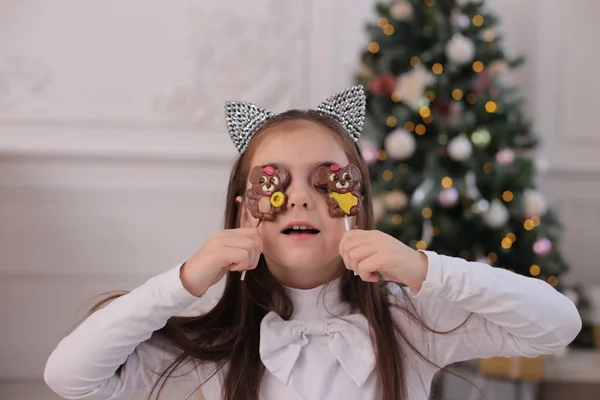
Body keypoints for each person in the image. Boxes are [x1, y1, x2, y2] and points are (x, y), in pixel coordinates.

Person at [44, 86, 582, 400]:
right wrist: (187, 279)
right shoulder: (201, 352)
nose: (299, 199)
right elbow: (68, 377)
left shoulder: (412, 325)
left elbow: (557, 324)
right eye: (273, 181)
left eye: (327, 179)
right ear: (240, 210)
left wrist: (422, 268)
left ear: (359, 208)